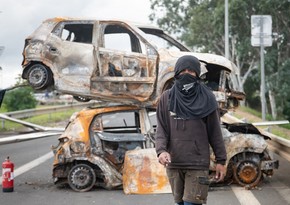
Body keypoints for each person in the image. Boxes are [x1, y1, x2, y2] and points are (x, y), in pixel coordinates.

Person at [155, 55, 227, 205]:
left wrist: (221, 160)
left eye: (191, 71)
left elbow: (215, 132)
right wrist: (161, 151)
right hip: (174, 163)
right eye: (183, 70)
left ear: (197, 74)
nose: (186, 74)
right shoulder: (166, 98)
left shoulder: (207, 98)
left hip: (197, 163)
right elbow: (161, 128)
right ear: (176, 73)